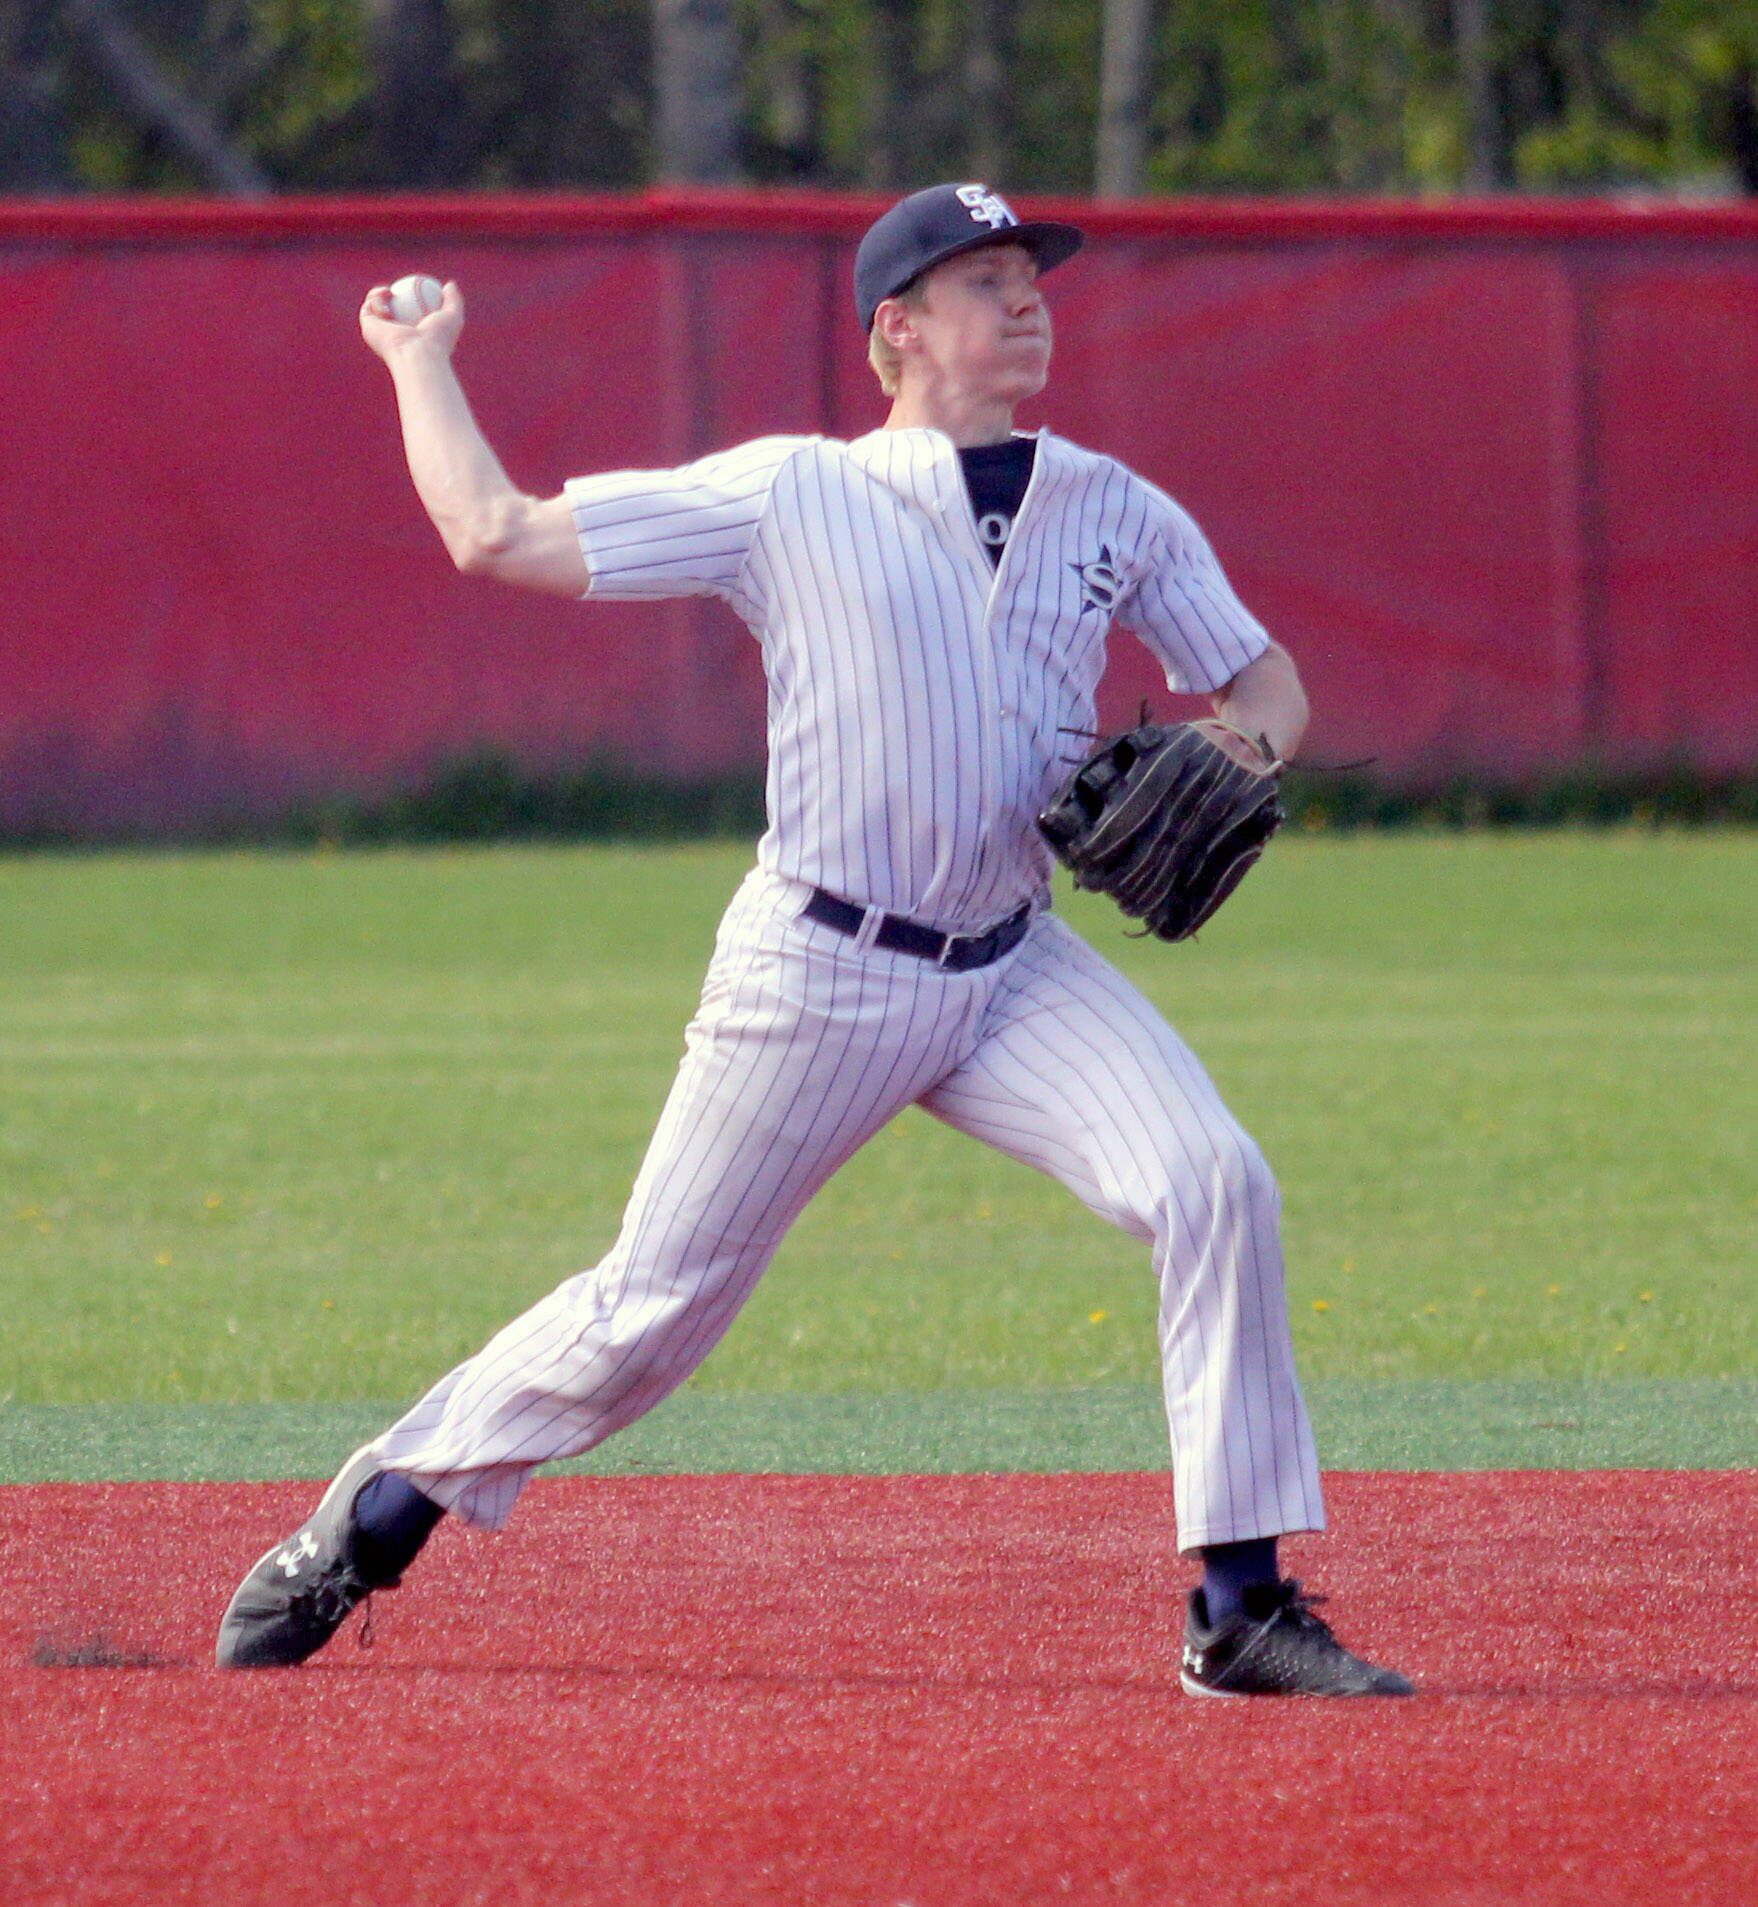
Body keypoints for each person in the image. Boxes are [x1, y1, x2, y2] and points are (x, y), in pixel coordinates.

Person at [217, 183, 1411, 1698]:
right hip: (817, 968)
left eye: (1030, 275)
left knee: (1213, 1182)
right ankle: (375, 1515)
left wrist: (1243, 753)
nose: (1027, 299)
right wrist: (419, 362)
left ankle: (1236, 1610)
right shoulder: (788, 493)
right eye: (985, 280)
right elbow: (494, 535)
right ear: (894, 334)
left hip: (1010, 969)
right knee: (642, 1325)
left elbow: (1260, 679)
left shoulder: (1115, 506)